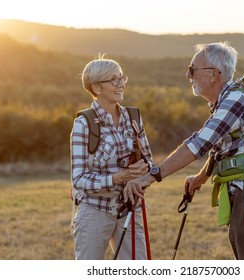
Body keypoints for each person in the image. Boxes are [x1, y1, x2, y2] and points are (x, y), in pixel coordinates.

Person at [124, 42, 244, 260]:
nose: (188, 75)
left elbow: (199, 144)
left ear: (214, 74)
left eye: (193, 69)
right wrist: (201, 177)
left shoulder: (236, 100)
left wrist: (151, 176)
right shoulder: (226, 100)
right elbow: (219, 150)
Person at [70, 56, 154, 260]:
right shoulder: (84, 124)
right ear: (97, 87)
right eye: (113, 80)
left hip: (129, 208)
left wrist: (137, 180)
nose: (121, 85)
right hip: (94, 211)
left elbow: (149, 163)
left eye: (122, 78)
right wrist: (117, 178)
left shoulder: (133, 118)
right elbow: (79, 180)